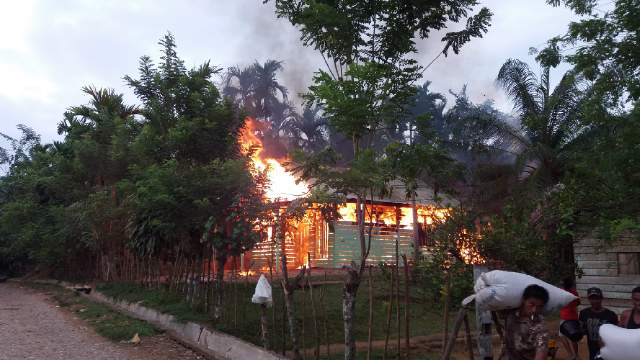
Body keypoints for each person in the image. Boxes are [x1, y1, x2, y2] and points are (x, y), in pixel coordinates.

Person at [500, 284, 550, 360]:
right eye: (531, 304)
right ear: (524, 300)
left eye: (539, 306)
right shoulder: (510, 313)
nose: (534, 310)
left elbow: (541, 351)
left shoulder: (540, 326)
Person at [579, 287, 618, 360]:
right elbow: (581, 331)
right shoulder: (584, 313)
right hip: (592, 349)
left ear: (601, 298)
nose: (594, 301)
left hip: (607, 350)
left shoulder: (611, 315)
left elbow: (616, 335)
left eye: (597, 298)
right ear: (589, 299)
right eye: (592, 298)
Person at [558, 277, 581, 360]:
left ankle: (571, 354)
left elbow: (558, 304)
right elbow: (578, 303)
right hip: (573, 317)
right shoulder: (574, 293)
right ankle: (576, 355)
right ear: (571, 285)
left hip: (564, 317)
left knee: (562, 336)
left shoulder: (561, 293)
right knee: (573, 336)